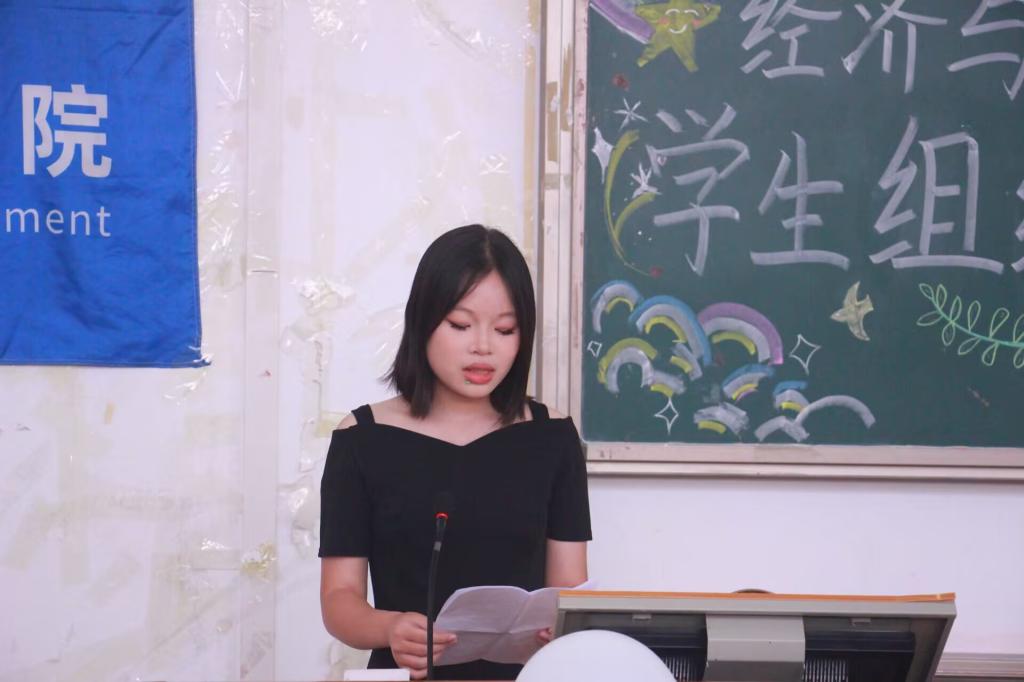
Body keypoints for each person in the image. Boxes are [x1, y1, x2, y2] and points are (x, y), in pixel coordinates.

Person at [319, 224, 592, 680]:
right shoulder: (362, 437)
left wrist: (563, 628)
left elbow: (570, 588)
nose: (483, 347)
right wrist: (390, 628)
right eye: (461, 325)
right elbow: (338, 599)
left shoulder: (553, 436)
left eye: (504, 329)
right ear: (423, 321)